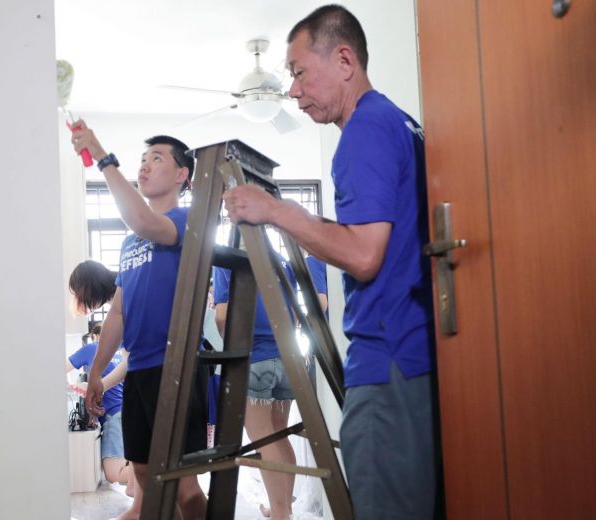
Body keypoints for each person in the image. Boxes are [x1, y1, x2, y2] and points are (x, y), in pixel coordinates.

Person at [222, 5, 438, 519]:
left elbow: (364, 255)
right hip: (413, 356)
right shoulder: (398, 122)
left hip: (389, 361)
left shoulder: (364, 130)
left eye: (298, 72)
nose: (293, 90)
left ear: (344, 59)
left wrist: (277, 210)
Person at [71, 125, 208, 520]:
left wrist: (102, 156)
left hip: (178, 367)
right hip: (142, 371)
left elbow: (144, 222)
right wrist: (97, 370)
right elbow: (118, 311)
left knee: (184, 485)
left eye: (156, 159)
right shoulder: (131, 245)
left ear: (182, 175)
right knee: (146, 475)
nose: (144, 167)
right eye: (142, 161)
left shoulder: (188, 223)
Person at [213, 256, 298, 520]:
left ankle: (281, 515)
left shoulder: (228, 257)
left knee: (263, 437)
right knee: (279, 435)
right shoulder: (279, 258)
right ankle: (282, 507)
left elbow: (222, 316)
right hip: (288, 359)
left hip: (257, 358)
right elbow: (293, 317)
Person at [66, 261, 140, 519]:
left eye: (78, 293)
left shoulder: (125, 296)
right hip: (140, 387)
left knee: (132, 465)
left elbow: (131, 361)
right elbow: (129, 361)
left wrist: (96, 384)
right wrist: (96, 386)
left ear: (88, 287)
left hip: (147, 382)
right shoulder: (124, 293)